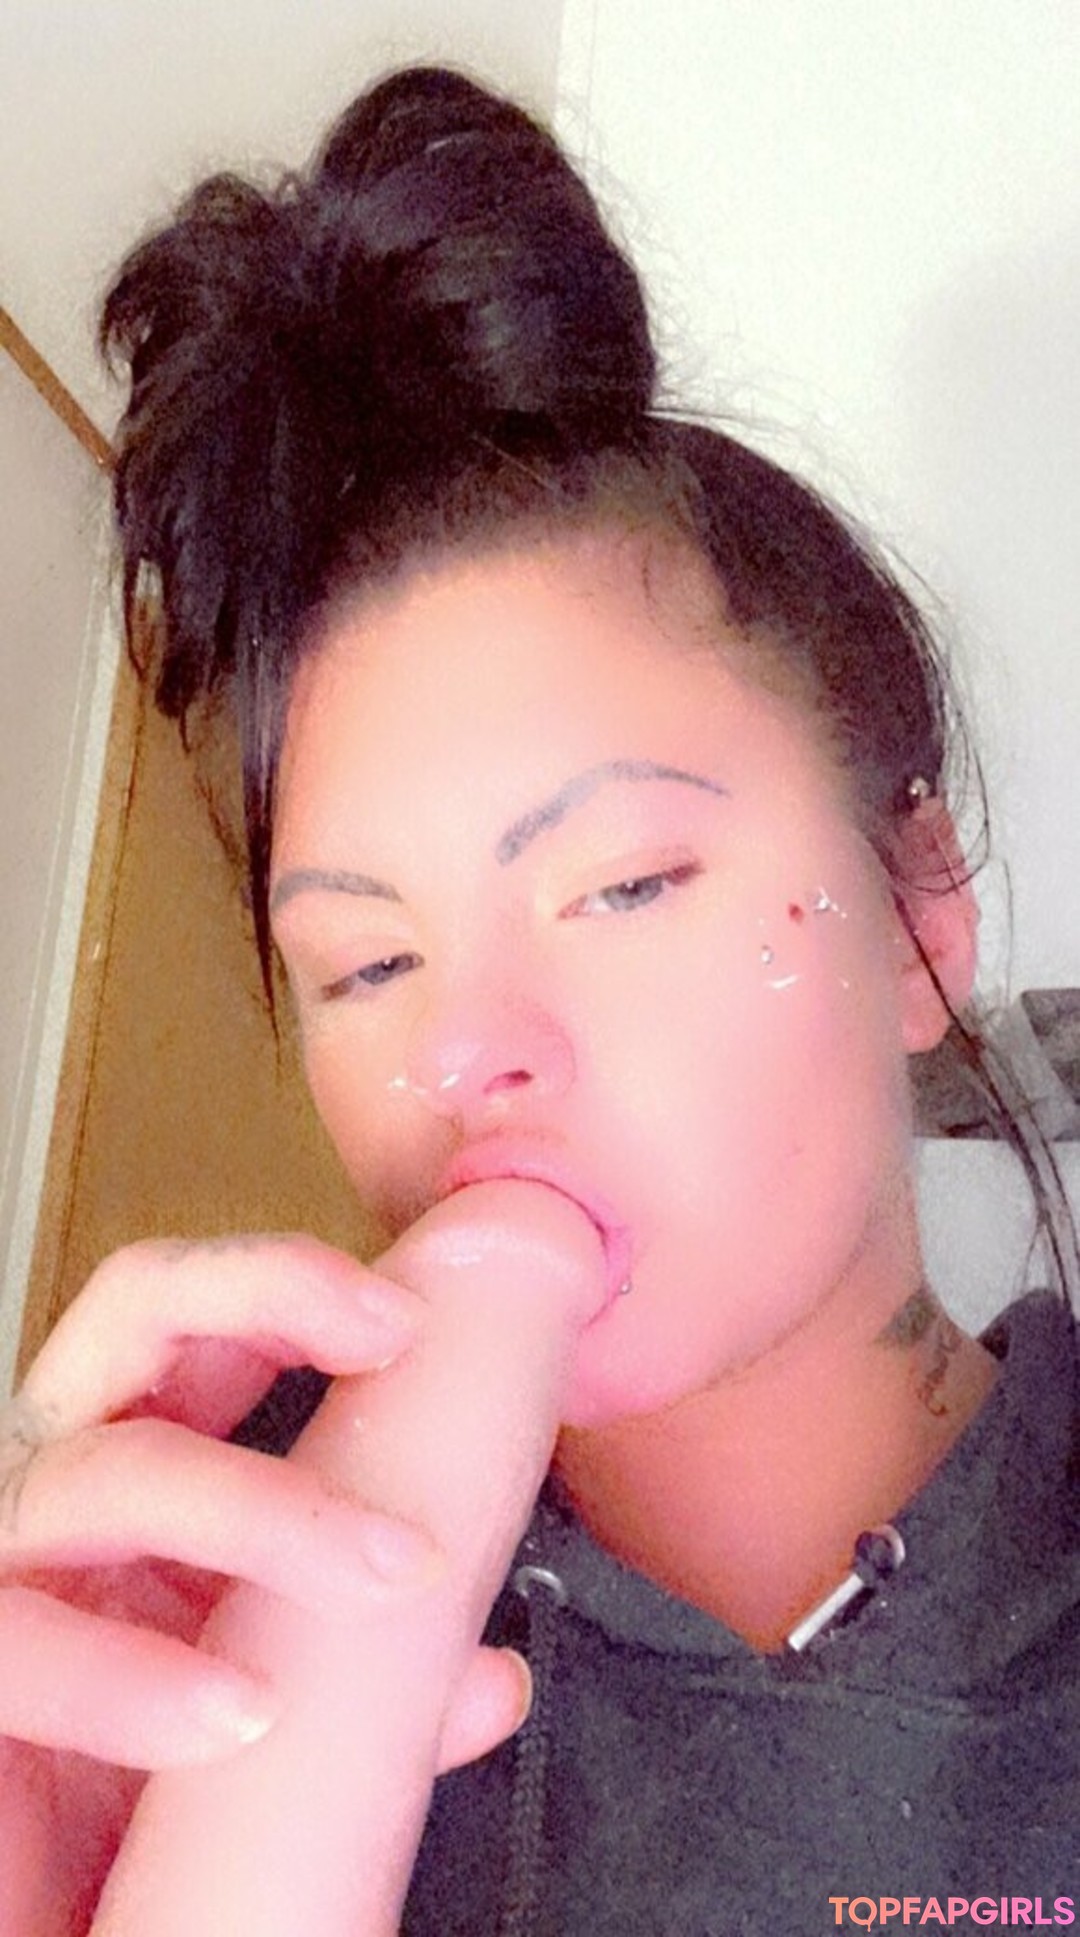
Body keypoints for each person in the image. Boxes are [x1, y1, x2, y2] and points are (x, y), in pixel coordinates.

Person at [1, 62, 1077, 1936]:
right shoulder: (192, 1630)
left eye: (624, 883)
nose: (462, 1048)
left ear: (918, 916)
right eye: (366, 963)